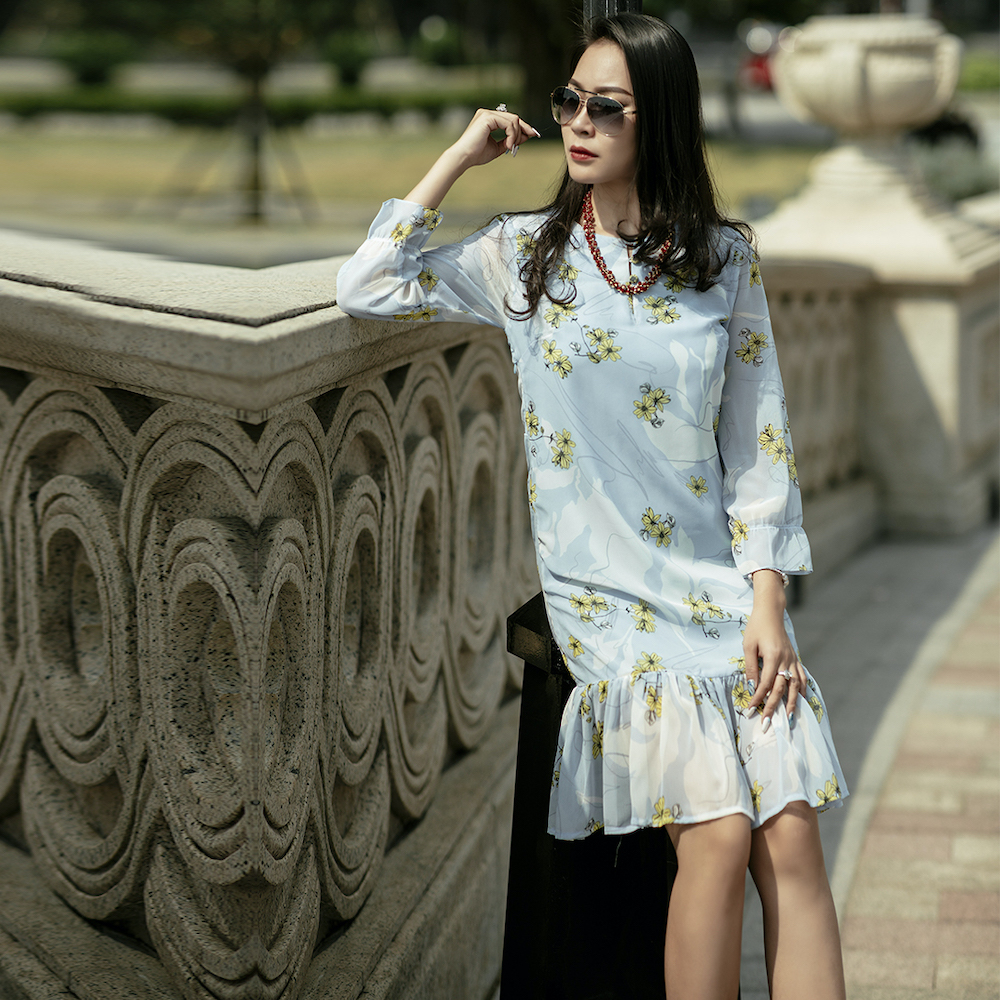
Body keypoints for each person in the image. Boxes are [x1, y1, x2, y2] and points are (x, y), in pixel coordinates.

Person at [337, 12, 848, 999]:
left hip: (719, 593)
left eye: (605, 108)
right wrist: (460, 156)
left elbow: (758, 448)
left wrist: (768, 600)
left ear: (660, 121)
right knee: (718, 832)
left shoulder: (724, 261)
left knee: (791, 831)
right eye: (568, 100)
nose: (577, 122)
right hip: (608, 601)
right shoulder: (524, 259)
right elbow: (366, 285)